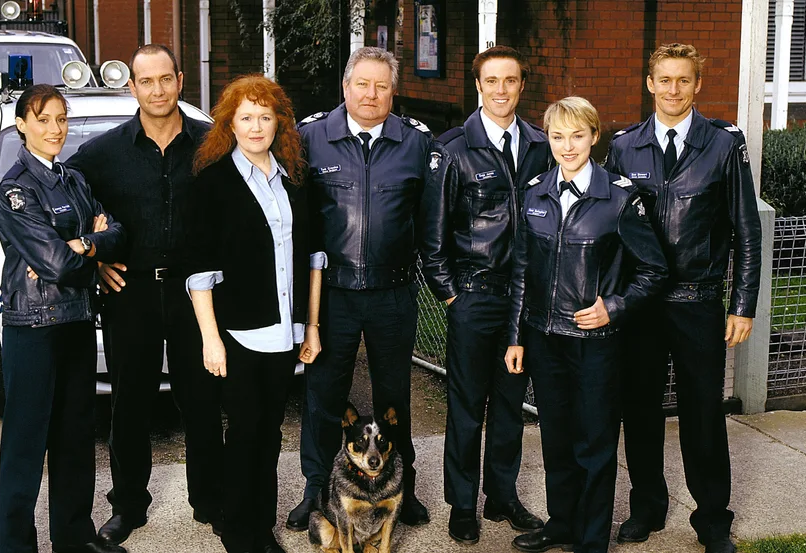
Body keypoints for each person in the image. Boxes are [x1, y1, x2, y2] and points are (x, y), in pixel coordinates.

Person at [603, 43, 761, 553]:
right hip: (642, 305)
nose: (673, 90)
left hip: (698, 301)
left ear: (698, 85)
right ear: (649, 83)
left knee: (702, 414)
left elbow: (746, 231)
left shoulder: (722, 145)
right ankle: (647, 504)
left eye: (683, 81)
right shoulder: (624, 145)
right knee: (641, 408)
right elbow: (612, 230)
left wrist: (742, 303)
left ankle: (712, 517)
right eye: (664, 80)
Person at [65, 44, 223, 545]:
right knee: (129, 405)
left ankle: (210, 501)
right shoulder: (100, 155)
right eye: (145, 81)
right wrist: (96, 261)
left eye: (165, 79)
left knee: (201, 400)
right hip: (129, 295)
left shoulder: (212, 145)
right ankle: (128, 506)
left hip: (194, 295)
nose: (156, 90)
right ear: (131, 87)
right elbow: (64, 214)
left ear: (180, 80)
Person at [505, 97, 668, 553]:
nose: (567, 145)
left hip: (596, 343)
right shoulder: (535, 191)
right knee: (556, 442)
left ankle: (592, 541)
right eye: (558, 136)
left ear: (595, 137)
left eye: (577, 135)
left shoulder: (619, 197)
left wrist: (613, 306)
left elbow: (654, 270)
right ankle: (562, 525)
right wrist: (516, 337)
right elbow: (521, 269)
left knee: (594, 446)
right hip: (544, 337)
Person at [286, 46, 432, 531]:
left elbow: (429, 219)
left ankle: (399, 488)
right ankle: (316, 491)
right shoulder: (310, 138)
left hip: (393, 294)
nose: (371, 94)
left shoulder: (416, 144)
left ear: (394, 91)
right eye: (362, 84)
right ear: (345, 87)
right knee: (322, 396)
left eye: (382, 86)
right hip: (331, 295)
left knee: (395, 397)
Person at [186, 74, 322, 553]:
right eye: (246, 117)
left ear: (279, 122)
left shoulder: (294, 178)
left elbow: (311, 258)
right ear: (230, 124)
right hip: (239, 333)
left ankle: (259, 526)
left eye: (266, 116)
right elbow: (199, 271)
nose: (257, 125)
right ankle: (242, 535)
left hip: (285, 333)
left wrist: (312, 326)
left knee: (269, 434)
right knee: (244, 434)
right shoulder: (214, 182)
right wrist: (210, 339)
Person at [420, 45, 549, 545]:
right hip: (473, 298)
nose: (501, 90)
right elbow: (431, 239)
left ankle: (503, 496)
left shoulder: (541, 145)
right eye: (491, 81)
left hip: (524, 303)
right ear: (478, 86)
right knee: (467, 406)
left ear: (521, 85)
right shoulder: (452, 148)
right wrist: (453, 297)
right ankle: (462, 503)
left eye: (510, 81)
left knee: (512, 405)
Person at [0, 84, 126, 553]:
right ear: (22, 125)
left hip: (75, 323)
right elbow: (56, 264)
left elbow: (116, 232)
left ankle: (73, 538)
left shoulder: (74, 180)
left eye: (61, 119)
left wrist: (86, 244)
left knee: (74, 439)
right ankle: (15, 545)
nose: (55, 129)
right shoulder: (13, 190)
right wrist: (81, 248)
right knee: (26, 446)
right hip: (33, 327)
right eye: (43, 119)